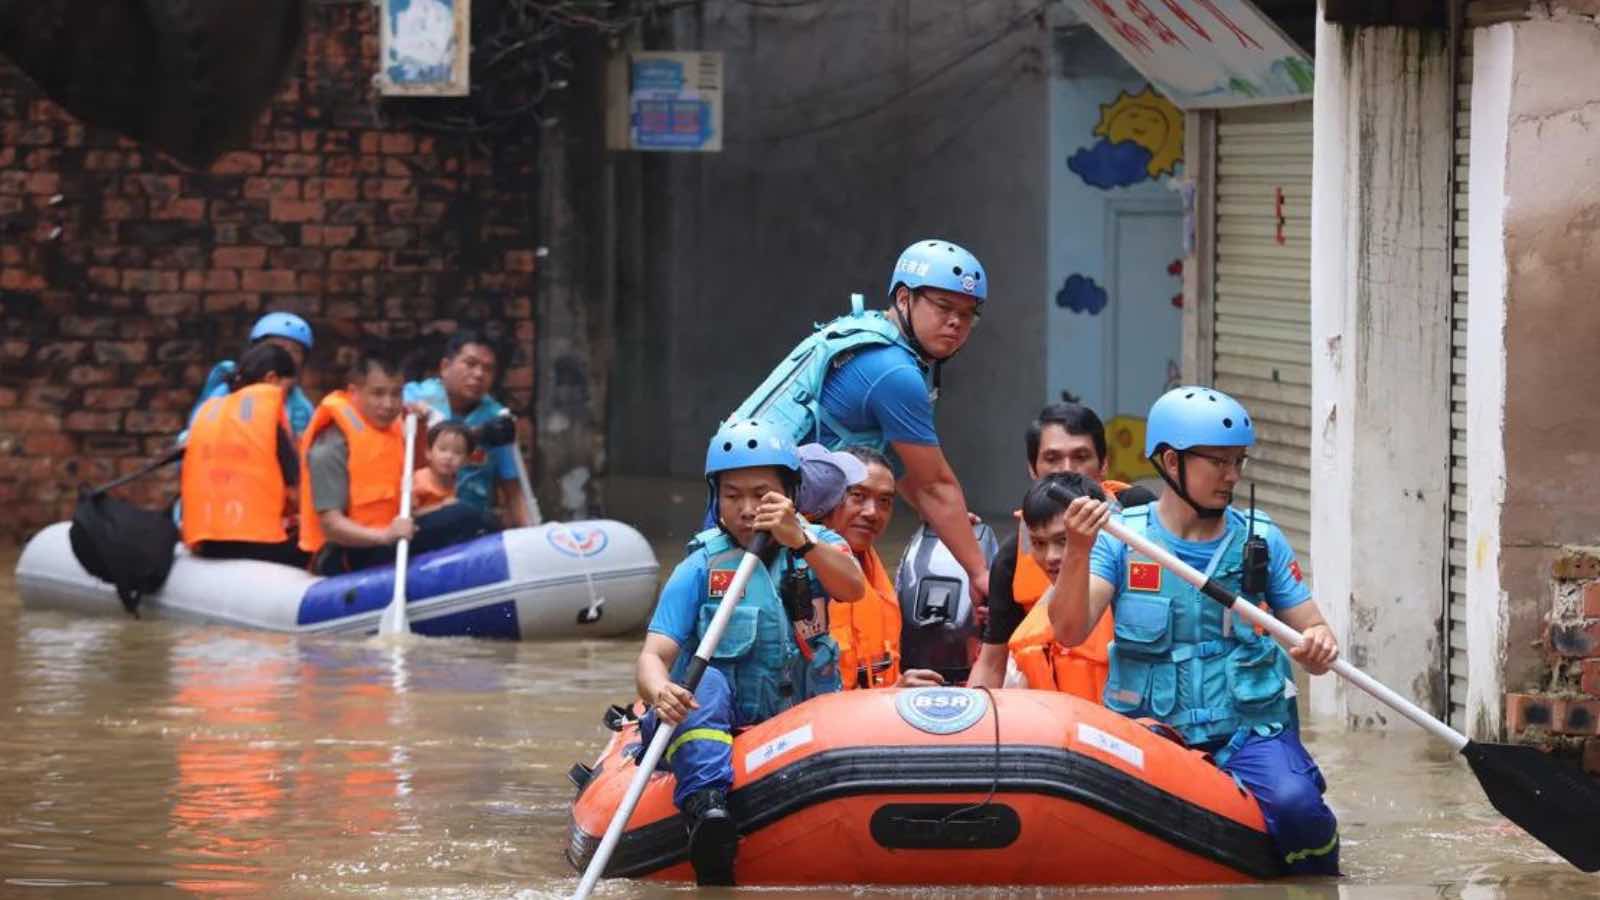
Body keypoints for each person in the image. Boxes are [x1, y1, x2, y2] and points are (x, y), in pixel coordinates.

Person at [1049, 386, 1341, 876]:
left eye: (1239, 462)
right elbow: (1070, 630)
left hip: (1248, 729)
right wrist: (1077, 549)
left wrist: (1319, 646)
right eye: (1218, 462)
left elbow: (1313, 628)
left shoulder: (1260, 538)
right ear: (1169, 461)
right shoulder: (1120, 539)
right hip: (1153, 729)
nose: (1232, 476)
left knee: (1298, 809)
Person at [635, 419, 866, 885]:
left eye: (761, 494)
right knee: (704, 682)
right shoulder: (700, 565)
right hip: (728, 724)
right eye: (731, 494)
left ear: (789, 494)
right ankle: (707, 809)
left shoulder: (820, 546)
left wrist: (801, 540)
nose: (745, 508)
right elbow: (652, 656)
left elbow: (853, 587)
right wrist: (660, 691)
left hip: (801, 727)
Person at [728, 240, 992, 607]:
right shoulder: (894, 371)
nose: (956, 323)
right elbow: (933, 485)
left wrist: (949, 522)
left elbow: (892, 464)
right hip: (770, 533)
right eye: (944, 307)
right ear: (904, 298)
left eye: (968, 314)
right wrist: (980, 573)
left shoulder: (862, 330)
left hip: (744, 517)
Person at [968, 401, 1152, 690]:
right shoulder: (1012, 555)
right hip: (1057, 714)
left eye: (1081, 456)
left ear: (1103, 464)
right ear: (1032, 468)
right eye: (1052, 459)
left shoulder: (1143, 518)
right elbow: (992, 662)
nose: (1068, 470)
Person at [300, 353, 490, 575]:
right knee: (464, 516)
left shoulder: (397, 428)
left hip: (393, 534)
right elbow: (331, 526)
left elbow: (419, 477)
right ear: (354, 393)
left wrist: (419, 429)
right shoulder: (331, 446)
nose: (389, 404)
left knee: (478, 518)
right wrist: (385, 536)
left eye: (396, 393)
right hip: (346, 552)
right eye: (378, 394)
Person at [820, 446, 944, 690]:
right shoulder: (795, 566)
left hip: (871, 717)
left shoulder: (872, 569)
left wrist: (898, 690)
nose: (872, 513)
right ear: (825, 496)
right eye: (857, 495)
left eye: (884, 501)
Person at [180, 343, 308, 567]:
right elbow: (297, 494)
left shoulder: (208, 411)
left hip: (206, 544)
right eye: (286, 389)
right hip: (259, 545)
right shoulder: (267, 416)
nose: (285, 398)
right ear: (271, 379)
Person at [404, 331, 530, 527]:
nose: (479, 374)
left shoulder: (497, 419)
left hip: (473, 534)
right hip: (417, 524)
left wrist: (532, 534)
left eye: (488, 369)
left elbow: (513, 490)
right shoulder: (413, 397)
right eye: (470, 364)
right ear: (445, 367)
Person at [191, 311, 317, 439]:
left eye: (295, 350)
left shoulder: (301, 407)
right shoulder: (228, 389)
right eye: (278, 347)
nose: (286, 355)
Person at [413, 422, 472, 515]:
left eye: (457, 452)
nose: (449, 457)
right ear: (428, 452)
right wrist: (441, 507)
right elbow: (410, 515)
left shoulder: (461, 485)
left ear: (466, 460)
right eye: (442, 449)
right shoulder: (419, 480)